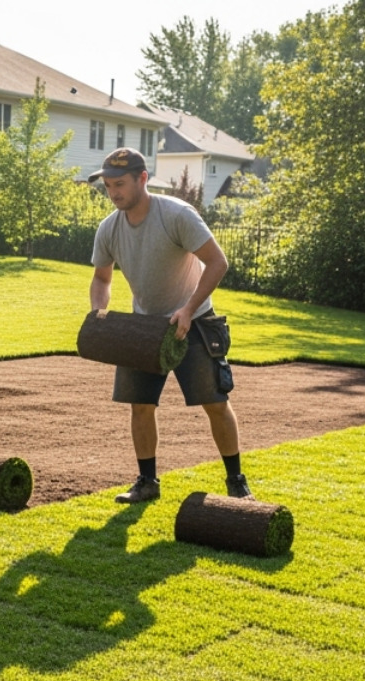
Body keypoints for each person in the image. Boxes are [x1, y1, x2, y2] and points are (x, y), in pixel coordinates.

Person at [87, 148, 250, 503]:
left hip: (194, 321)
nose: (113, 192)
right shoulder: (109, 228)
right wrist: (99, 313)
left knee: (215, 403)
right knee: (140, 405)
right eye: (108, 186)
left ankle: (236, 482)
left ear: (142, 179)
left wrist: (189, 309)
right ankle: (147, 482)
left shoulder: (176, 214)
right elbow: (102, 279)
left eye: (120, 184)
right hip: (144, 328)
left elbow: (217, 262)